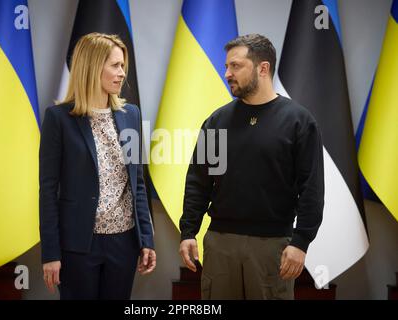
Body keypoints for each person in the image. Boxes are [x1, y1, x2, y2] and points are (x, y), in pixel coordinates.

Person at [179, 34, 324, 300]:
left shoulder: (299, 122)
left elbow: (312, 189)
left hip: (272, 247)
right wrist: (189, 231)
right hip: (220, 244)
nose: (227, 73)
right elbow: (198, 181)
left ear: (263, 68)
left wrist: (301, 242)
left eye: (235, 66)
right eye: (226, 66)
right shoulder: (217, 121)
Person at [39, 33, 156, 300]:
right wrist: (51, 253)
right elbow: (48, 191)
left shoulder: (131, 114)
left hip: (124, 243)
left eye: (123, 66)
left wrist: (147, 239)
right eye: (115, 65)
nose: (122, 73)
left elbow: (138, 182)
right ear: (92, 67)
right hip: (78, 245)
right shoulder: (58, 119)